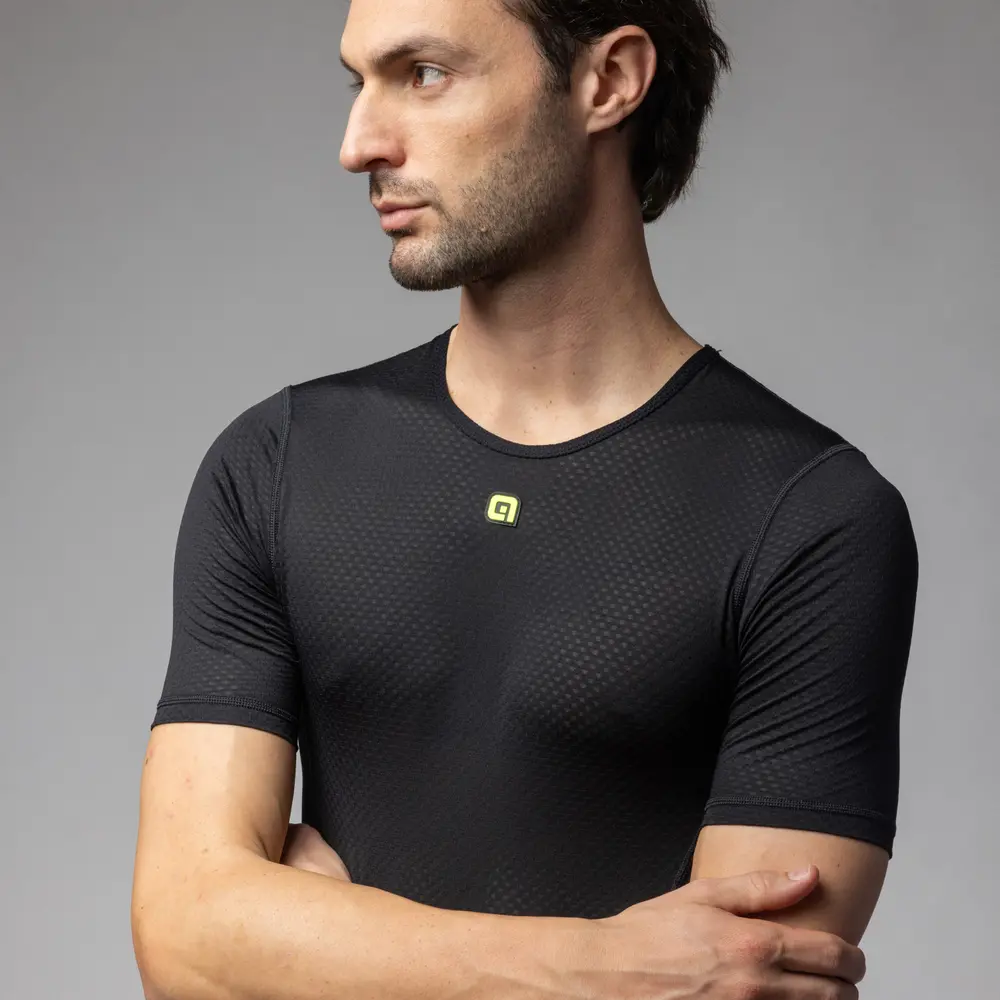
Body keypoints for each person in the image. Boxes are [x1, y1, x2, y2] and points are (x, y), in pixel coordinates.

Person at [131, 1, 919, 999]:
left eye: (423, 74)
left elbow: (747, 982)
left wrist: (314, 945)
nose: (358, 144)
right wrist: (601, 966)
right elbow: (185, 941)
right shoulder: (276, 463)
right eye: (359, 82)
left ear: (608, 81)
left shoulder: (810, 518)